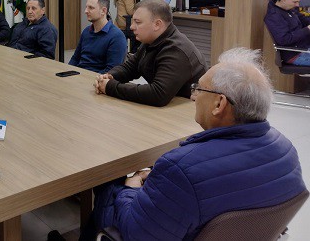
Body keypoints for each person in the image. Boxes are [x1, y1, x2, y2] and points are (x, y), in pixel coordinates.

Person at [78, 48, 306, 241]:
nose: (193, 96)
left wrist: (132, 186)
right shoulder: (288, 152)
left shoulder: (180, 168)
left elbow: (136, 233)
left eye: (199, 88)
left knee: (108, 183)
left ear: (219, 104)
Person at [95, 0, 206, 106]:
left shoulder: (177, 50)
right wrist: (108, 76)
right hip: (169, 106)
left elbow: (158, 94)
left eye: (137, 22)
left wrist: (110, 87)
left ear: (157, 24)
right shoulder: (151, 41)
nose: (132, 27)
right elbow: (130, 68)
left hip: (187, 111)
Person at [69, 0, 127, 73]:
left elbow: (111, 70)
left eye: (91, 8)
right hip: (79, 74)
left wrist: (86, 77)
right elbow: (75, 58)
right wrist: (68, 71)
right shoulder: (86, 31)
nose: (86, 11)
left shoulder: (117, 36)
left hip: (97, 78)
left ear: (103, 11)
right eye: (86, 7)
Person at [264, 0, 310, 65]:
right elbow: (284, 39)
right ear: (284, 0)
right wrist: (307, 29)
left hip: (304, 47)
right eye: (295, 2)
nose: (297, 5)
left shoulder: (289, 9)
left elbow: (303, 19)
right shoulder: (274, 16)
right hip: (295, 54)